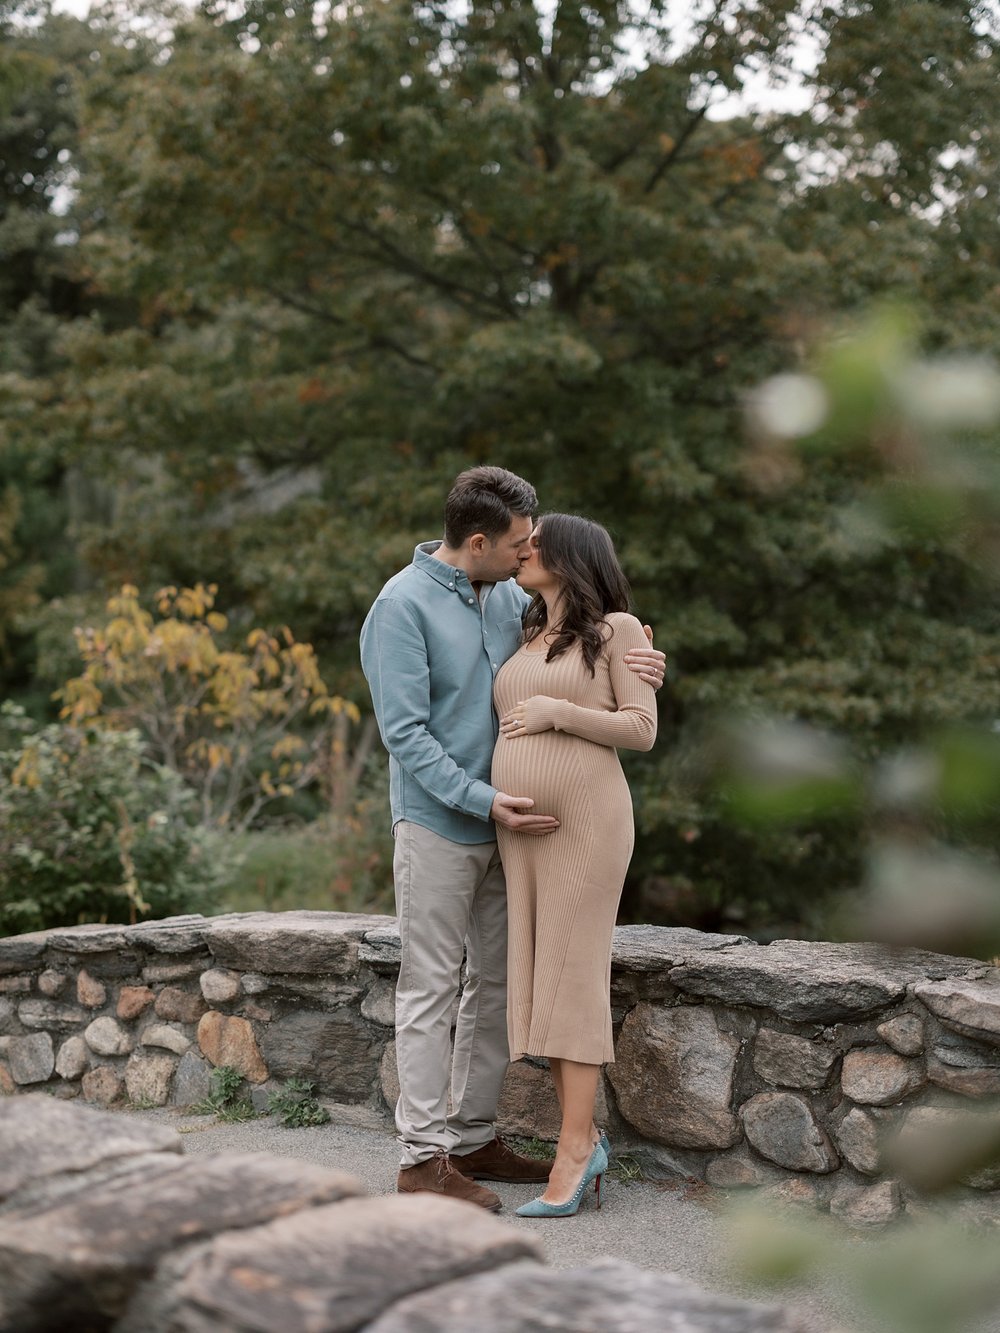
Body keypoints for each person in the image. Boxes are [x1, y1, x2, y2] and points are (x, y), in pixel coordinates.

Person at [360, 467, 665, 1212]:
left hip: (520, 832)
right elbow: (405, 735)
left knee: (492, 986)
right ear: (477, 542)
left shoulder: (509, 604)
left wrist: (648, 660)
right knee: (432, 985)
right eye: (520, 543)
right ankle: (423, 1159)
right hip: (441, 821)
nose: (529, 552)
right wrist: (486, 800)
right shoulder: (399, 608)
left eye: (535, 544)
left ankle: (470, 1137)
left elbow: (594, 660)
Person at [493, 513, 658, 1218]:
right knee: (543, 978)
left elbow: (641, 727)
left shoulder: (618, 628)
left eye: (535, 543)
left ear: (571, 554)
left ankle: (573, 1149)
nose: (523, 551)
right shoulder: (526, 629)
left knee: (576, 975)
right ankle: (582, 1136)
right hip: (522, 831)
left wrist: (559, 712)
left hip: (588, 822)